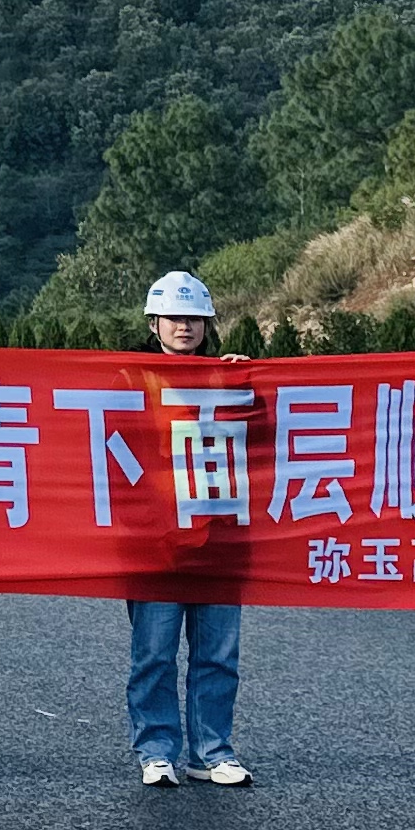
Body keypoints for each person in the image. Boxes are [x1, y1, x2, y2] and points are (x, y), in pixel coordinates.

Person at [123, 269, 250, 790]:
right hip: (154, 542)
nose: (185, 326)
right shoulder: (130, 379)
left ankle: (212, 750)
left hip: (220, 539)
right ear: (154, 322)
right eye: (175, 317)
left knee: (218, 654)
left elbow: (267, 437)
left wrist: (255, 382)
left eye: (194, 318)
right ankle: (156, 750)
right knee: (153, 653)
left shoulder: (228, 377)